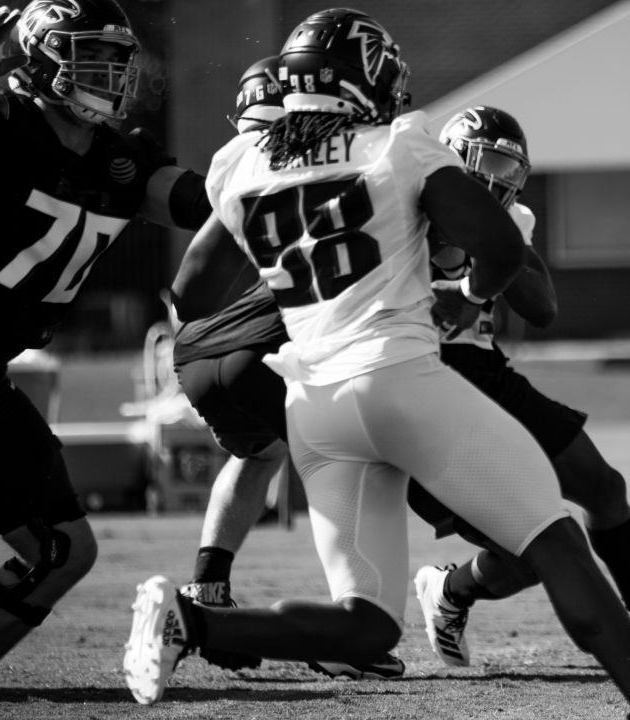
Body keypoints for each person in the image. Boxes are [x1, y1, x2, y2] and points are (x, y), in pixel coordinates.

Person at [124, 10, 630, 719]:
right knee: (557, 540)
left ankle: (189, 623)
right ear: (363, 80)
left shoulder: (244, 163)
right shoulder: (398, 143)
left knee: (369, 623)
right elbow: (503, 252)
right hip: (400, 378)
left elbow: (191, 291)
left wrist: (292, 266)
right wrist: (466, 299)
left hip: (316, 408)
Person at [0, 2, 212, 717]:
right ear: (41, 58)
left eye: (116, 58)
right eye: (91, 55)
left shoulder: (120, 156)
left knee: (65, 547)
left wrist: (270, 177)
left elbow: (197, 200)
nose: (112, 73)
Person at [410, 106, 630, 668]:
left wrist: (495, 246)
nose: (499, 179)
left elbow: (542, 308)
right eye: (487, 161)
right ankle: (451, 590)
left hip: (486, 373)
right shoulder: (403, 211)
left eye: (510, 169)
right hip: (419, 380)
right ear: (452, 155)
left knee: (603, 488)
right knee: (529, 556)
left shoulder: (511, 220)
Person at [170, 54, 403, 681]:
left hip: (196, 350)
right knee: (348, 461)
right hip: (263, 348)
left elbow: (186, 290)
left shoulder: (243, 165)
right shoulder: (363, 163)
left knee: (259, 455)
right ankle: (342, 629)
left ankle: (206, 588)